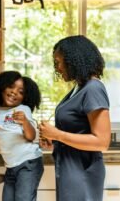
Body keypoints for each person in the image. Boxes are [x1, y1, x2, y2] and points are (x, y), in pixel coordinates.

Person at [38, 35, 111, 201]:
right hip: (69, 169)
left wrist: (57, 135)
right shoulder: (79, 87)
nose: (57, 68)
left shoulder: (93, 88)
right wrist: (54, 140)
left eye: (58, 62)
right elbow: (77, 130)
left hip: (83, 172)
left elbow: (102, 141)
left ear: (73, 60)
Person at [0, 71, 43, 201]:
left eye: (21, 91)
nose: (14, 92)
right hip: (11, 166)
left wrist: (25, 122)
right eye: (11, 87)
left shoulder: (23, 109)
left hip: (28, 163)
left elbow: (31, 136)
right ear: (2, 87)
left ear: (25, 97)